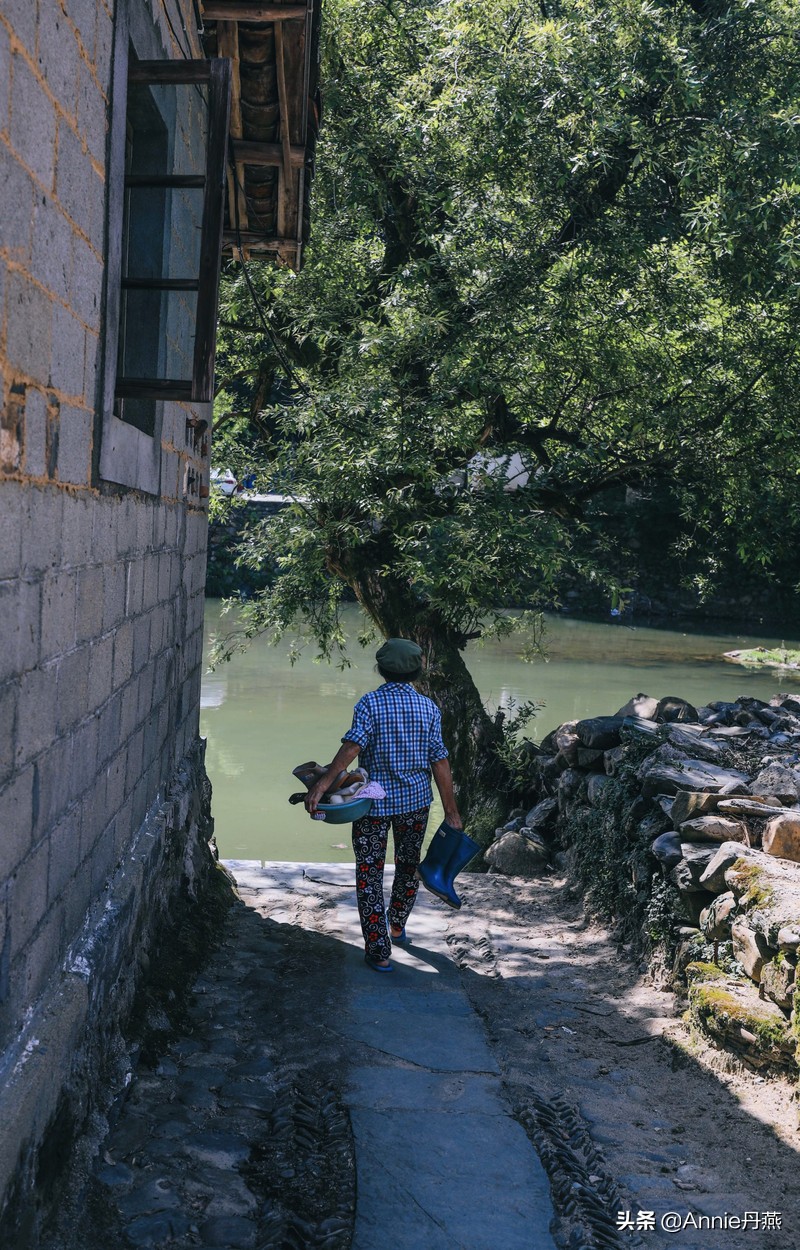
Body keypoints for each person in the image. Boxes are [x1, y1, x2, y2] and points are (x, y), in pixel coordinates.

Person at [305, 638, 462, 971]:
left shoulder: (369, 704)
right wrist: (451, 812)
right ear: (418, 671)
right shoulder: (428, 707)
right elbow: (440, 762)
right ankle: (396, 925)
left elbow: (351, 748)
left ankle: (378, 949)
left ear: (381, 669)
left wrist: (321, 784)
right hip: (415, 803)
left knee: (369, 872)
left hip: (370, 806)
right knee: (408, 866)